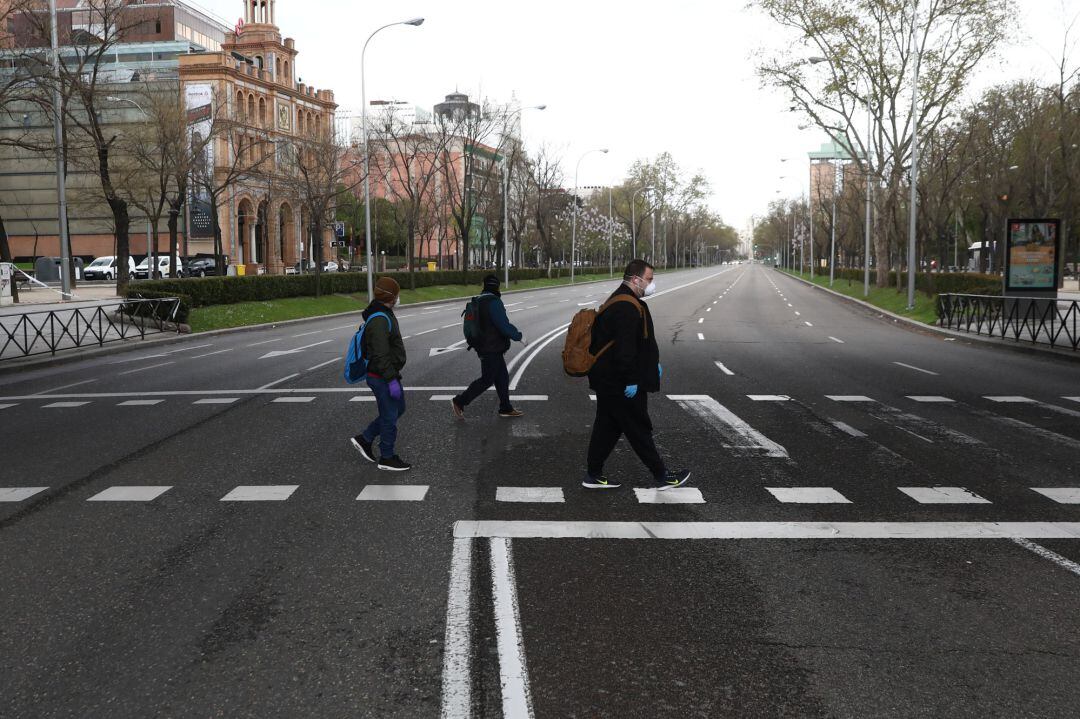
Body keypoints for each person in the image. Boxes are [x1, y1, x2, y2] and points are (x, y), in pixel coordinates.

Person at [584, 259, 690, 490]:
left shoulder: (621, 300)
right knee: (638, 427)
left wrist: (652, 365)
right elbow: (625, 350)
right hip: (620, 382)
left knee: (608, 427)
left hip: (608, 379)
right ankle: (662, 475)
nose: (651, 284)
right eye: (649, 279)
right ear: (636, 279)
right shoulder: (627, 307)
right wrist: (632, 379)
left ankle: (593, 474)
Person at [350, 277, 411, 471]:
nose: (399, 298)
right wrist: (391, 380)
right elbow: (380, 354)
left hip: (387, 374)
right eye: (397, 294)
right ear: (391, 297)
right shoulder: (378, 319)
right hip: (382, 376)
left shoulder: (382, 312)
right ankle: (387, 456)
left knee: (397, 409)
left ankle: (365, 438)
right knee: (390, 415)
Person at [451, 274, 526, 419]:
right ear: (496, 287)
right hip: (491, 348)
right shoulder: (494, 302)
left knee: (502, 377)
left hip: (484, 345)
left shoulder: (479, 300)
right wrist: (518, 336)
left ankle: (505, 407)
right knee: (487, 379)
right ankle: (460, 401)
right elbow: (503, 325)